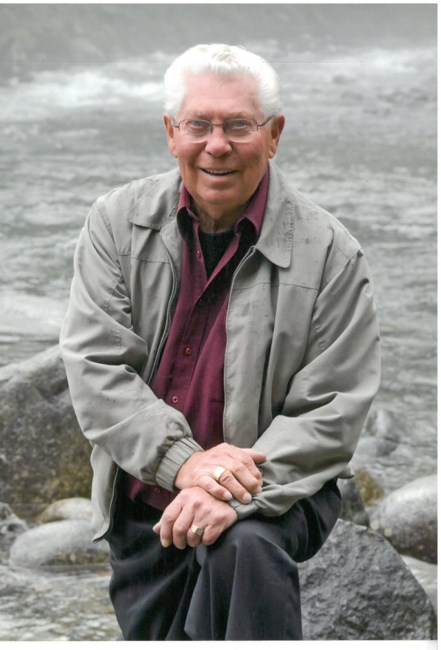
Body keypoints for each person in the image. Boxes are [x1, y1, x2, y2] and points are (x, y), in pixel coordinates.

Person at [59, 43, 381, 641]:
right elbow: (97, 366)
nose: (216, 144)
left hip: (278, 491)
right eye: (198, 125)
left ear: (274, 135)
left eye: (238, 125)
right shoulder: (115, 223)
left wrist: (232, 492)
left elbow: (333, 407)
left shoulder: (331, 253)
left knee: (246, 545)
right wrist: (186, 464)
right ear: (170, 133)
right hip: (149, 496)